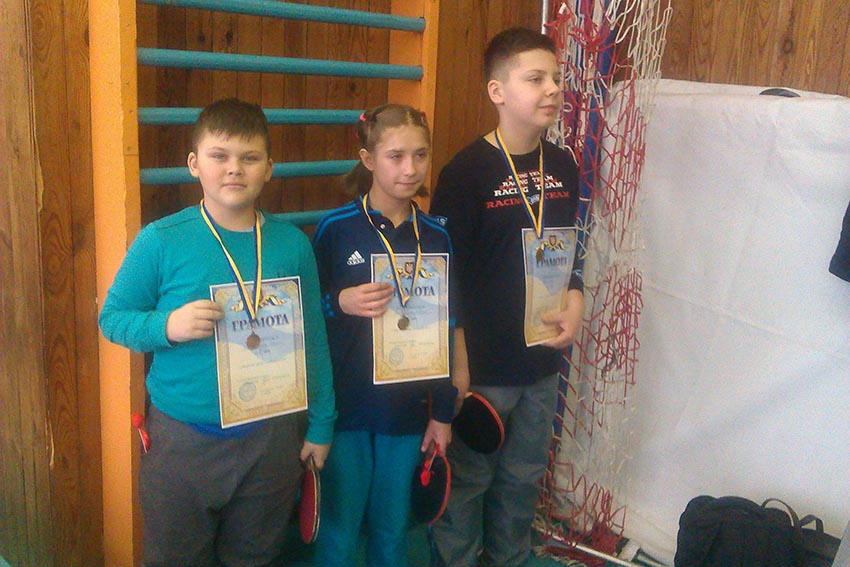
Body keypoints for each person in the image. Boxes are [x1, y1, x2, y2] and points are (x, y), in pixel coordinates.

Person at [98, 98, 335, 566]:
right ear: (194, 164)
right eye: (219, 156)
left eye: (250, 158)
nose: (234, 169)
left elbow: (313, 340)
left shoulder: (292, 245)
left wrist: (322, 424)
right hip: (183, 441)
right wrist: (167, 325)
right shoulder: (161, 239)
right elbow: (112, 317)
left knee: (255, 557)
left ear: (269, 168)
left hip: (272, 437)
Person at [428, 28, 585, 567]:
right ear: (497, 91)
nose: (553, 89)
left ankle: (510, 558)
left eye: (556, 78)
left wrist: (576, 299)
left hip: (542, 360)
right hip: (484, 369)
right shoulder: (465, 173)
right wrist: (458, 364)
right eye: (535, 78)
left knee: (523, 478)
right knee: (469, 480)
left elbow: (571, 251)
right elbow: (446, 278)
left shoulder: (562, 165)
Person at [310, 104, 460, 567]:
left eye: (420, 155)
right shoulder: (334, 229)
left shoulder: (436, 235)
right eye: (396, 156)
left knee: (392, 530)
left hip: (407, 411)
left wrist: (443, 411)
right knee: (339, 529)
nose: (410, 169)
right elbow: (305, 317)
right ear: (368, 159)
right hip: (347, 409)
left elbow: (446, 328)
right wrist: (340, 302)